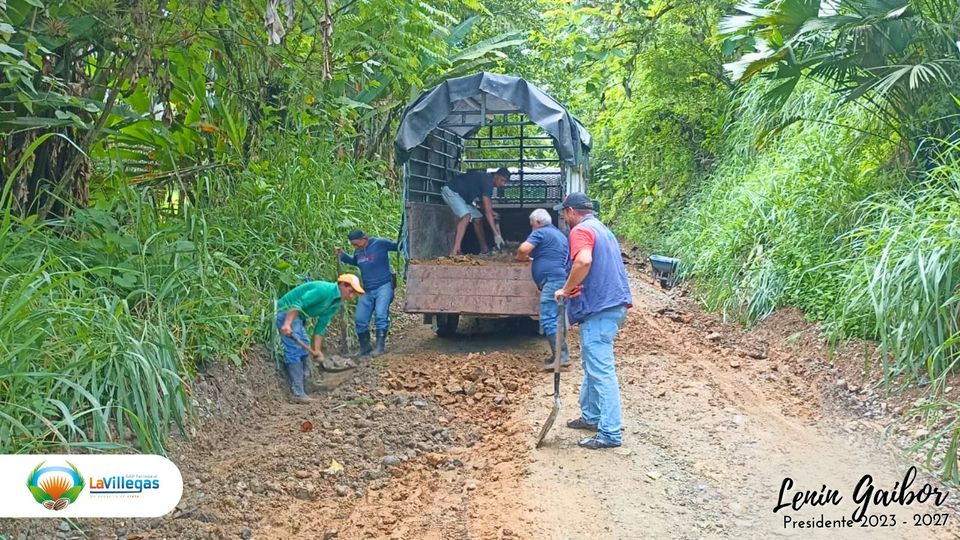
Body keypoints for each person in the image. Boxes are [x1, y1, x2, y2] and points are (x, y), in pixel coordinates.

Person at [553, 192, 633, 449]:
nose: (564, 218)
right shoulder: (602, 229)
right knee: (592, 364)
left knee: (601, 370)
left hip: (600, 308)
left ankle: (610, 433)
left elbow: (584, 260)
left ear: (571, 211)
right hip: (613, 305)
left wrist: (566, 289)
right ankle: (591, 416)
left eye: (564, 213)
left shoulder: (580, 230)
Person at [276, 274, 364, 403]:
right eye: (350, 291)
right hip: (285, 311)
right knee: (294, 349)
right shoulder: (323, 290)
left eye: (353, 294)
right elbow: (297, 304)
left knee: (304, 347)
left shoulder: (336, 302)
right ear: (342, 285)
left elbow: (321, 326)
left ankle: (306, 385)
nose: (351, 296)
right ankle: (297, 393)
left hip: (299, 317)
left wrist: (317, 350)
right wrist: (287, 324)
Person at [516, 208, 570, 370]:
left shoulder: (541, 232)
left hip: (552, 281)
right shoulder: (558, 234)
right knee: (557, 317)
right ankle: (559, 354)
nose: (532, 228)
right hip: (561, 278)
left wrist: (522, 258)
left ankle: (561, 356)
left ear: (538, 223)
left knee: (548, 317)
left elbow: (523, 249)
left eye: (532, 225)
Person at [337, 229, 398, 357]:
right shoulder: (358, 251)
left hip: (384, 286)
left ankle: (380, 347)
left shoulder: (380, 243)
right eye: (353, 245)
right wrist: (342, 256)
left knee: (380, 315)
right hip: (368, 289)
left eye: (357, 244)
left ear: (364, 238)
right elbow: (355, 262)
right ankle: (365, 347)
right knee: (360, 319)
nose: (356, 247)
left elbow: (399, 246)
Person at [441, 167, 510, 256]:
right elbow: (488, 212)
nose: (503, 184)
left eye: (505, 182)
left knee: (478, 218)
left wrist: (492, 212)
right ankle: (455, 251)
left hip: (463, 199)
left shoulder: (488, 181)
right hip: (451, 191)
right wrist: (497, 235)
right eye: (502, 180)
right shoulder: (487, 182)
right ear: (496, 176)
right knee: (466, 216)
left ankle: (484, 250)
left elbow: (482, 204)